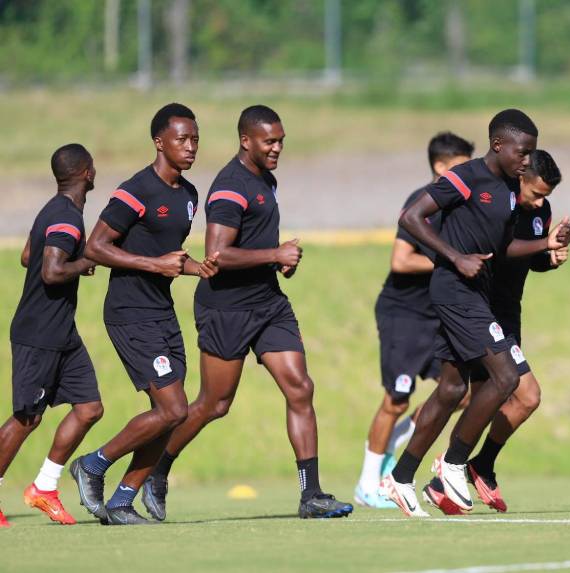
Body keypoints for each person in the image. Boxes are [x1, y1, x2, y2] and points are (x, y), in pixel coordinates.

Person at [144, 105, 352, 520]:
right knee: (213, 404)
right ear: (246, 141)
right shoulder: (229, 187)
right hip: (226, 309)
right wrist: (274, 252)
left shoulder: (266, 180)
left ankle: (311, 495)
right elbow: (216, 255)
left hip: (269, 304)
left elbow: (253, 244)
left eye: (280, 141)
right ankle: (156, 472)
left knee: (300, 387)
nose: (277, 148)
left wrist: (277, 263)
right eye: (269, 141)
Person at [383, 109, 570, 517]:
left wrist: (546, 246)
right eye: (523, 152)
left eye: (532, 153)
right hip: (455, 290)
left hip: (476, 295)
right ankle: (453, 464)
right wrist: (454, 257)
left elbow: (503, 252)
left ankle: (398, 479)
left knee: (451, 390)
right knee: (507, 378)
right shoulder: (466, 176)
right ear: (498, 145)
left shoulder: (507, 191)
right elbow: (411, 217)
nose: (527, 160)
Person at [70, 103, 219, 526]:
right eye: (181, 139)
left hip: (163, 313)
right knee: (173, 409)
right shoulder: (135, 189)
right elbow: (96, 246)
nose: (190, 147)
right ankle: (93, 464)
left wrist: (198, 268)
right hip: (129, 312)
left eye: (195, 139)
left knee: (174, 413)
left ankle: (121, 500)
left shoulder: (189, 196)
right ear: (159, 142)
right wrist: (155, 266)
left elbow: (169, 257)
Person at [423, 150, 566, 515]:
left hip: (506, 312)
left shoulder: (538, 211)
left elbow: (529, 261)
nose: (540, 202)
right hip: (480, 310)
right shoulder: (500, 205)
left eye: (546, 196)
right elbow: (499, 252)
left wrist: (550, 256)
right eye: (535, 193)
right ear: (519, 176)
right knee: (525, 393)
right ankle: (461, 465)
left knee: (474, 395)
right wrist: (543, 244)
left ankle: (455, 473)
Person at [355, 132, 475, 509]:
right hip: (404, 316)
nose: (468, 173)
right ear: (441, 168)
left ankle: (398, 440)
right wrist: (451, 260)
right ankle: (367, 484)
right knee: (396, 399)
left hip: (437, 316)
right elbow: (400, 261)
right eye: (461, 166)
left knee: (463, 391)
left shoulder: (463, 204)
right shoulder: (422, 202)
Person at [0, 144, 103, 527]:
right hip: (38, 333)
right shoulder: (66, 216)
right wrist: (87, 261)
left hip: (62, 333)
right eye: (93, 168)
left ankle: (44, 487)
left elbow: (29, 255)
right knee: (27, 418)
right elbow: (49, 271)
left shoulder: (55, 210)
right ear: (87, 173)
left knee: (89, 407)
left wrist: (71, 261)